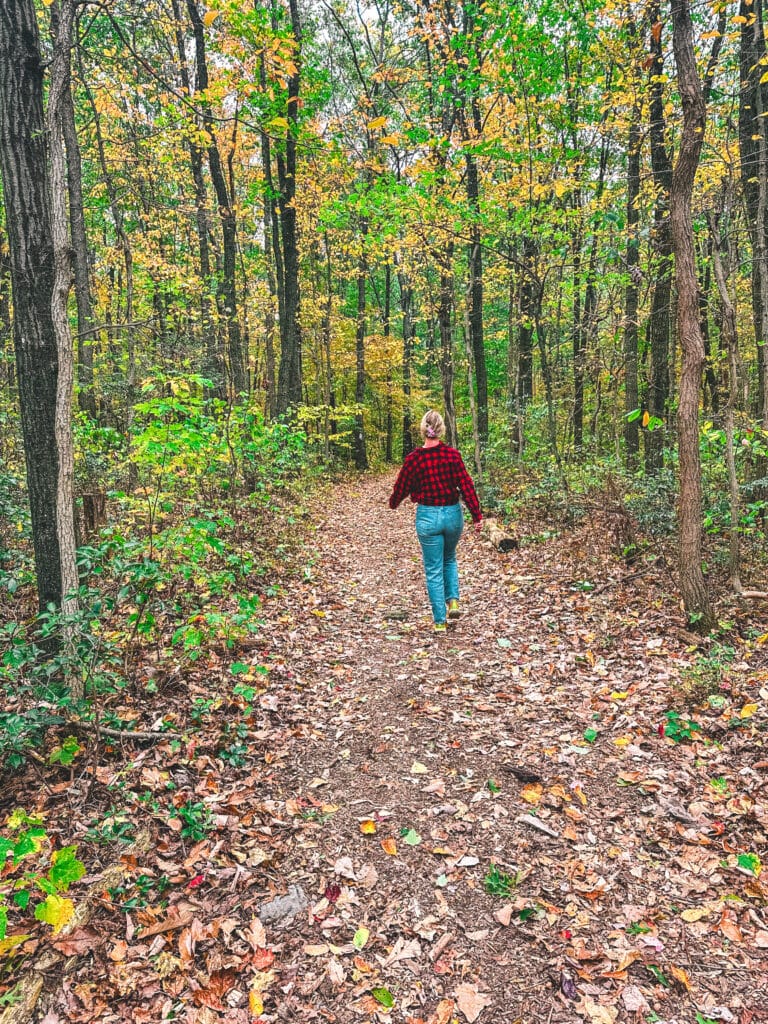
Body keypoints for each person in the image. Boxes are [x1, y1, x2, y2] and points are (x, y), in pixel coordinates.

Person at [389, 410, 482, 632]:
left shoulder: (414, 459)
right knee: (449, 558)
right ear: (441, 429)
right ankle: (454, 601)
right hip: (452, 515)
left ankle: (440, 621)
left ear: (423, 429)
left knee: (433, 568)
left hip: (428, 516)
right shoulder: (452, 456)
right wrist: (477, 515)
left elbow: (402, 486)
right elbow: (466, 485)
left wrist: (394, 502)